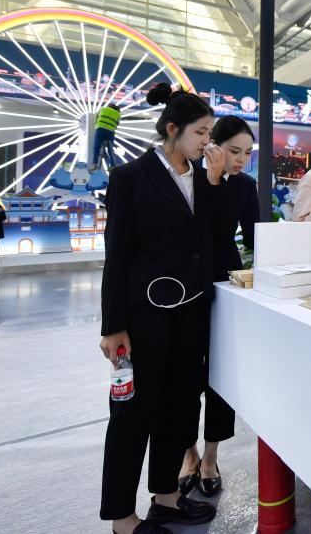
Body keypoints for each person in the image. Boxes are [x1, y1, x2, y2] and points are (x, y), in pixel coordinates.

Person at [99, 82, 231, 534]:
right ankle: (122, 517)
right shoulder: (131, 177)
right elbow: (117, 254)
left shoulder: (200, 177)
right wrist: (113, 325)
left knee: (179, 406)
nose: (207, 141)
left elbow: (215, 235)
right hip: (144, 316)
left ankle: (167, 497)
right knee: (132, 415)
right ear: (172, 129)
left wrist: (214, 181)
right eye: (201, 132)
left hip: (191, 313)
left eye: (209, 132)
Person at [179, 116, 258, 498]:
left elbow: (256, 235)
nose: (240, 159)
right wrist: (211, 180)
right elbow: (197, 230)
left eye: (247, 153)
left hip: (227, 281)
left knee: (221, 373)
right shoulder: (189, 178)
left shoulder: (244, 185)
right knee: (184, 373)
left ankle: (210, 456)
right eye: (233, 151)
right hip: (187, 283)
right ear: (213, 146)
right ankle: (188, 453)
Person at [92, 104, 122, 171]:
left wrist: (97, 125)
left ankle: (94, 164)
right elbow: (117, 124)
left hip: (100, 129)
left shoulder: (102, 109)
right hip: (110, 132)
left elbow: (96, 118)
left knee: (96, 147)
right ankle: (113, 165)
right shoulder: (118, 114)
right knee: (110, 150)